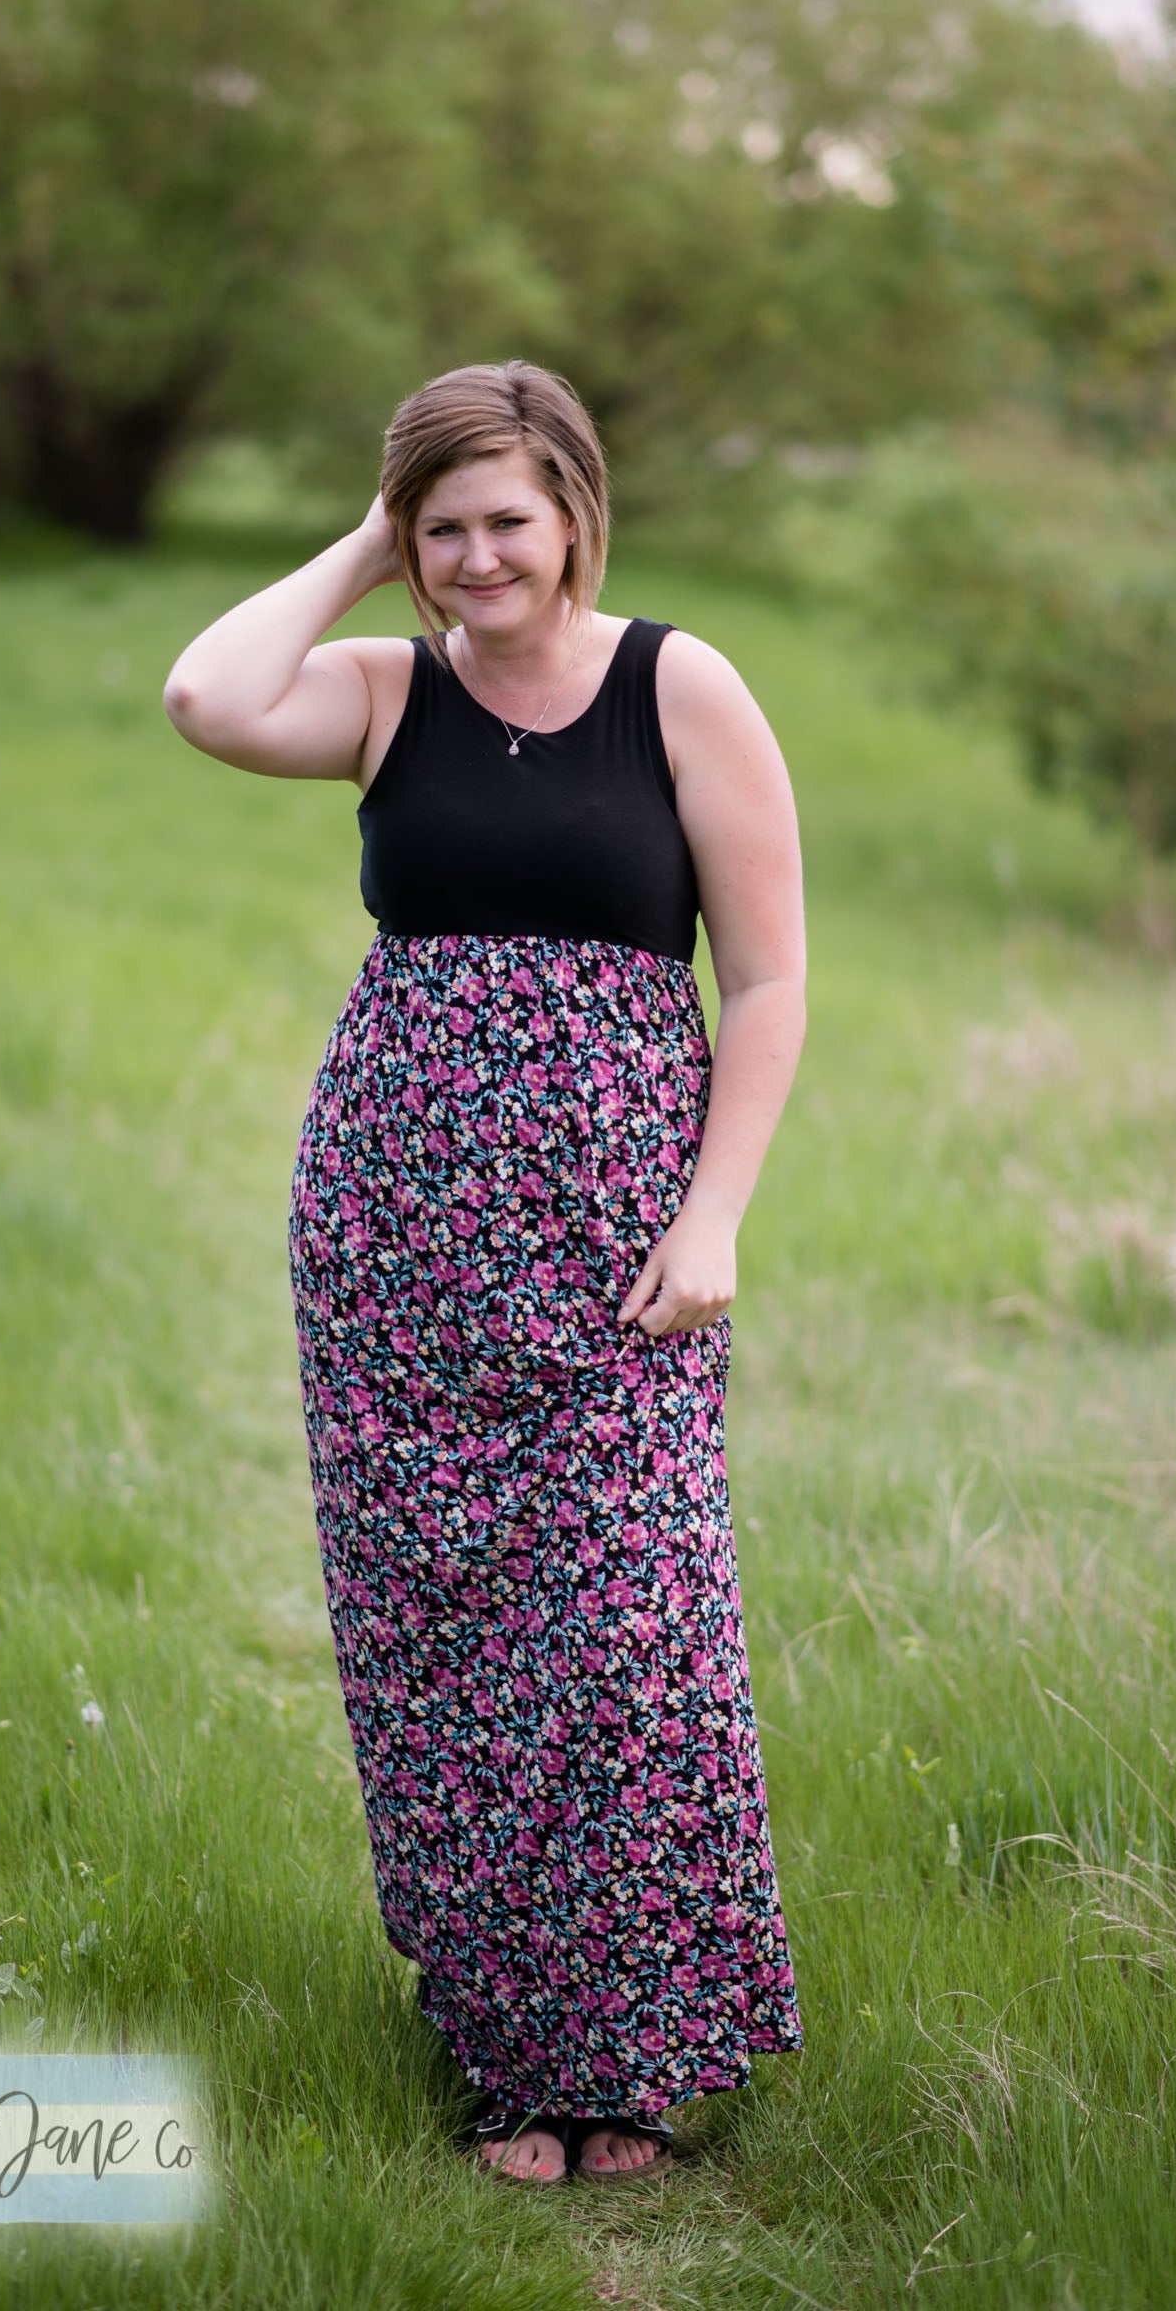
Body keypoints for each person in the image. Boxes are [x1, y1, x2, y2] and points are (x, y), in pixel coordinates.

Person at [163, 360, 806, 2186]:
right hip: (393, 1243)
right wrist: (368, 549)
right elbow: (205, 693)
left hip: (623, 1251)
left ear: (576, 511)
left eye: (503, 519)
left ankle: (641, 2065)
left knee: (631, 1636)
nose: (475, 557)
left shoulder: (683, 687)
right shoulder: (383, 691)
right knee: (436, 1642)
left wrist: (716, 1213)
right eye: (440, 526)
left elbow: (763, 981)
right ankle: (515, 2068)